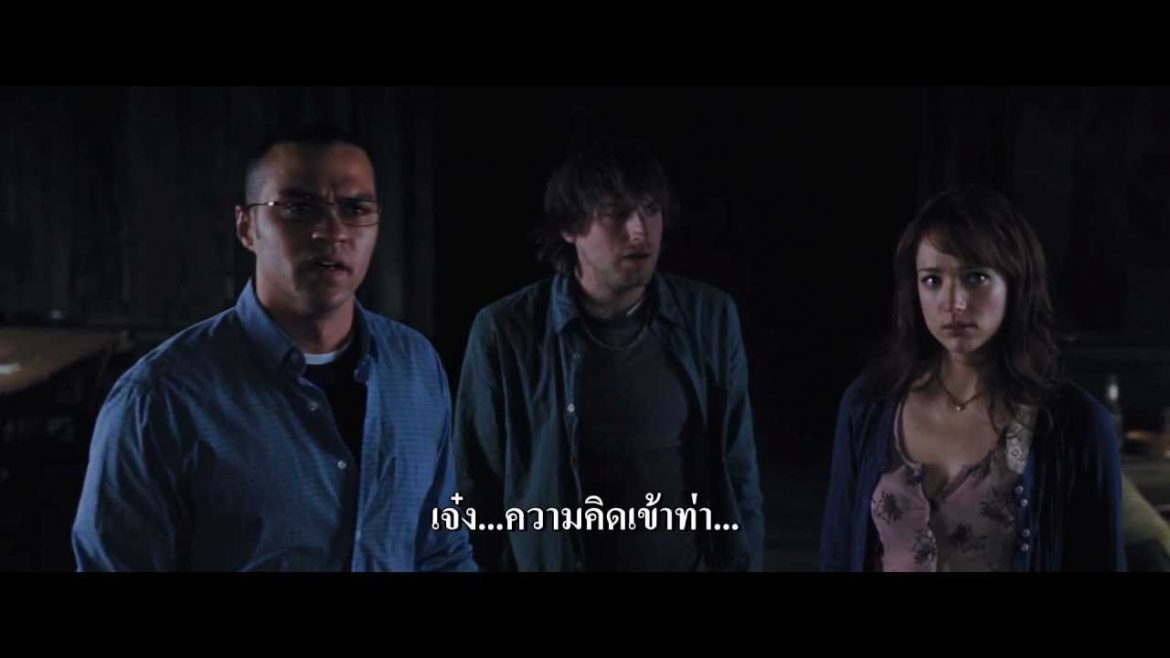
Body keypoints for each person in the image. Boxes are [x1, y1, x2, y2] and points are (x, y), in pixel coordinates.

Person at [72, 125, 476, 571]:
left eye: (355, 208)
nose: (332, 231)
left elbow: (442, 550)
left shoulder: (415, 365)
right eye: (299, 207)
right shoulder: (161, 397)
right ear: (247, 227)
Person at [453, 138, 763, 571]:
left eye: (651, 210)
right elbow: (475, 488)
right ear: (569, 228)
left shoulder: (709, 318)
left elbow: (738, 468)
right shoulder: (506, 331)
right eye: (616, 213)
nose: (639, 231)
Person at [820, 187, 1125, 571]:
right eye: (932, 280)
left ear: (1015, 284)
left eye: (975, 277)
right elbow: (838, 553)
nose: (954, 303)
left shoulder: (1074, 425)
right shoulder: (869, 406)